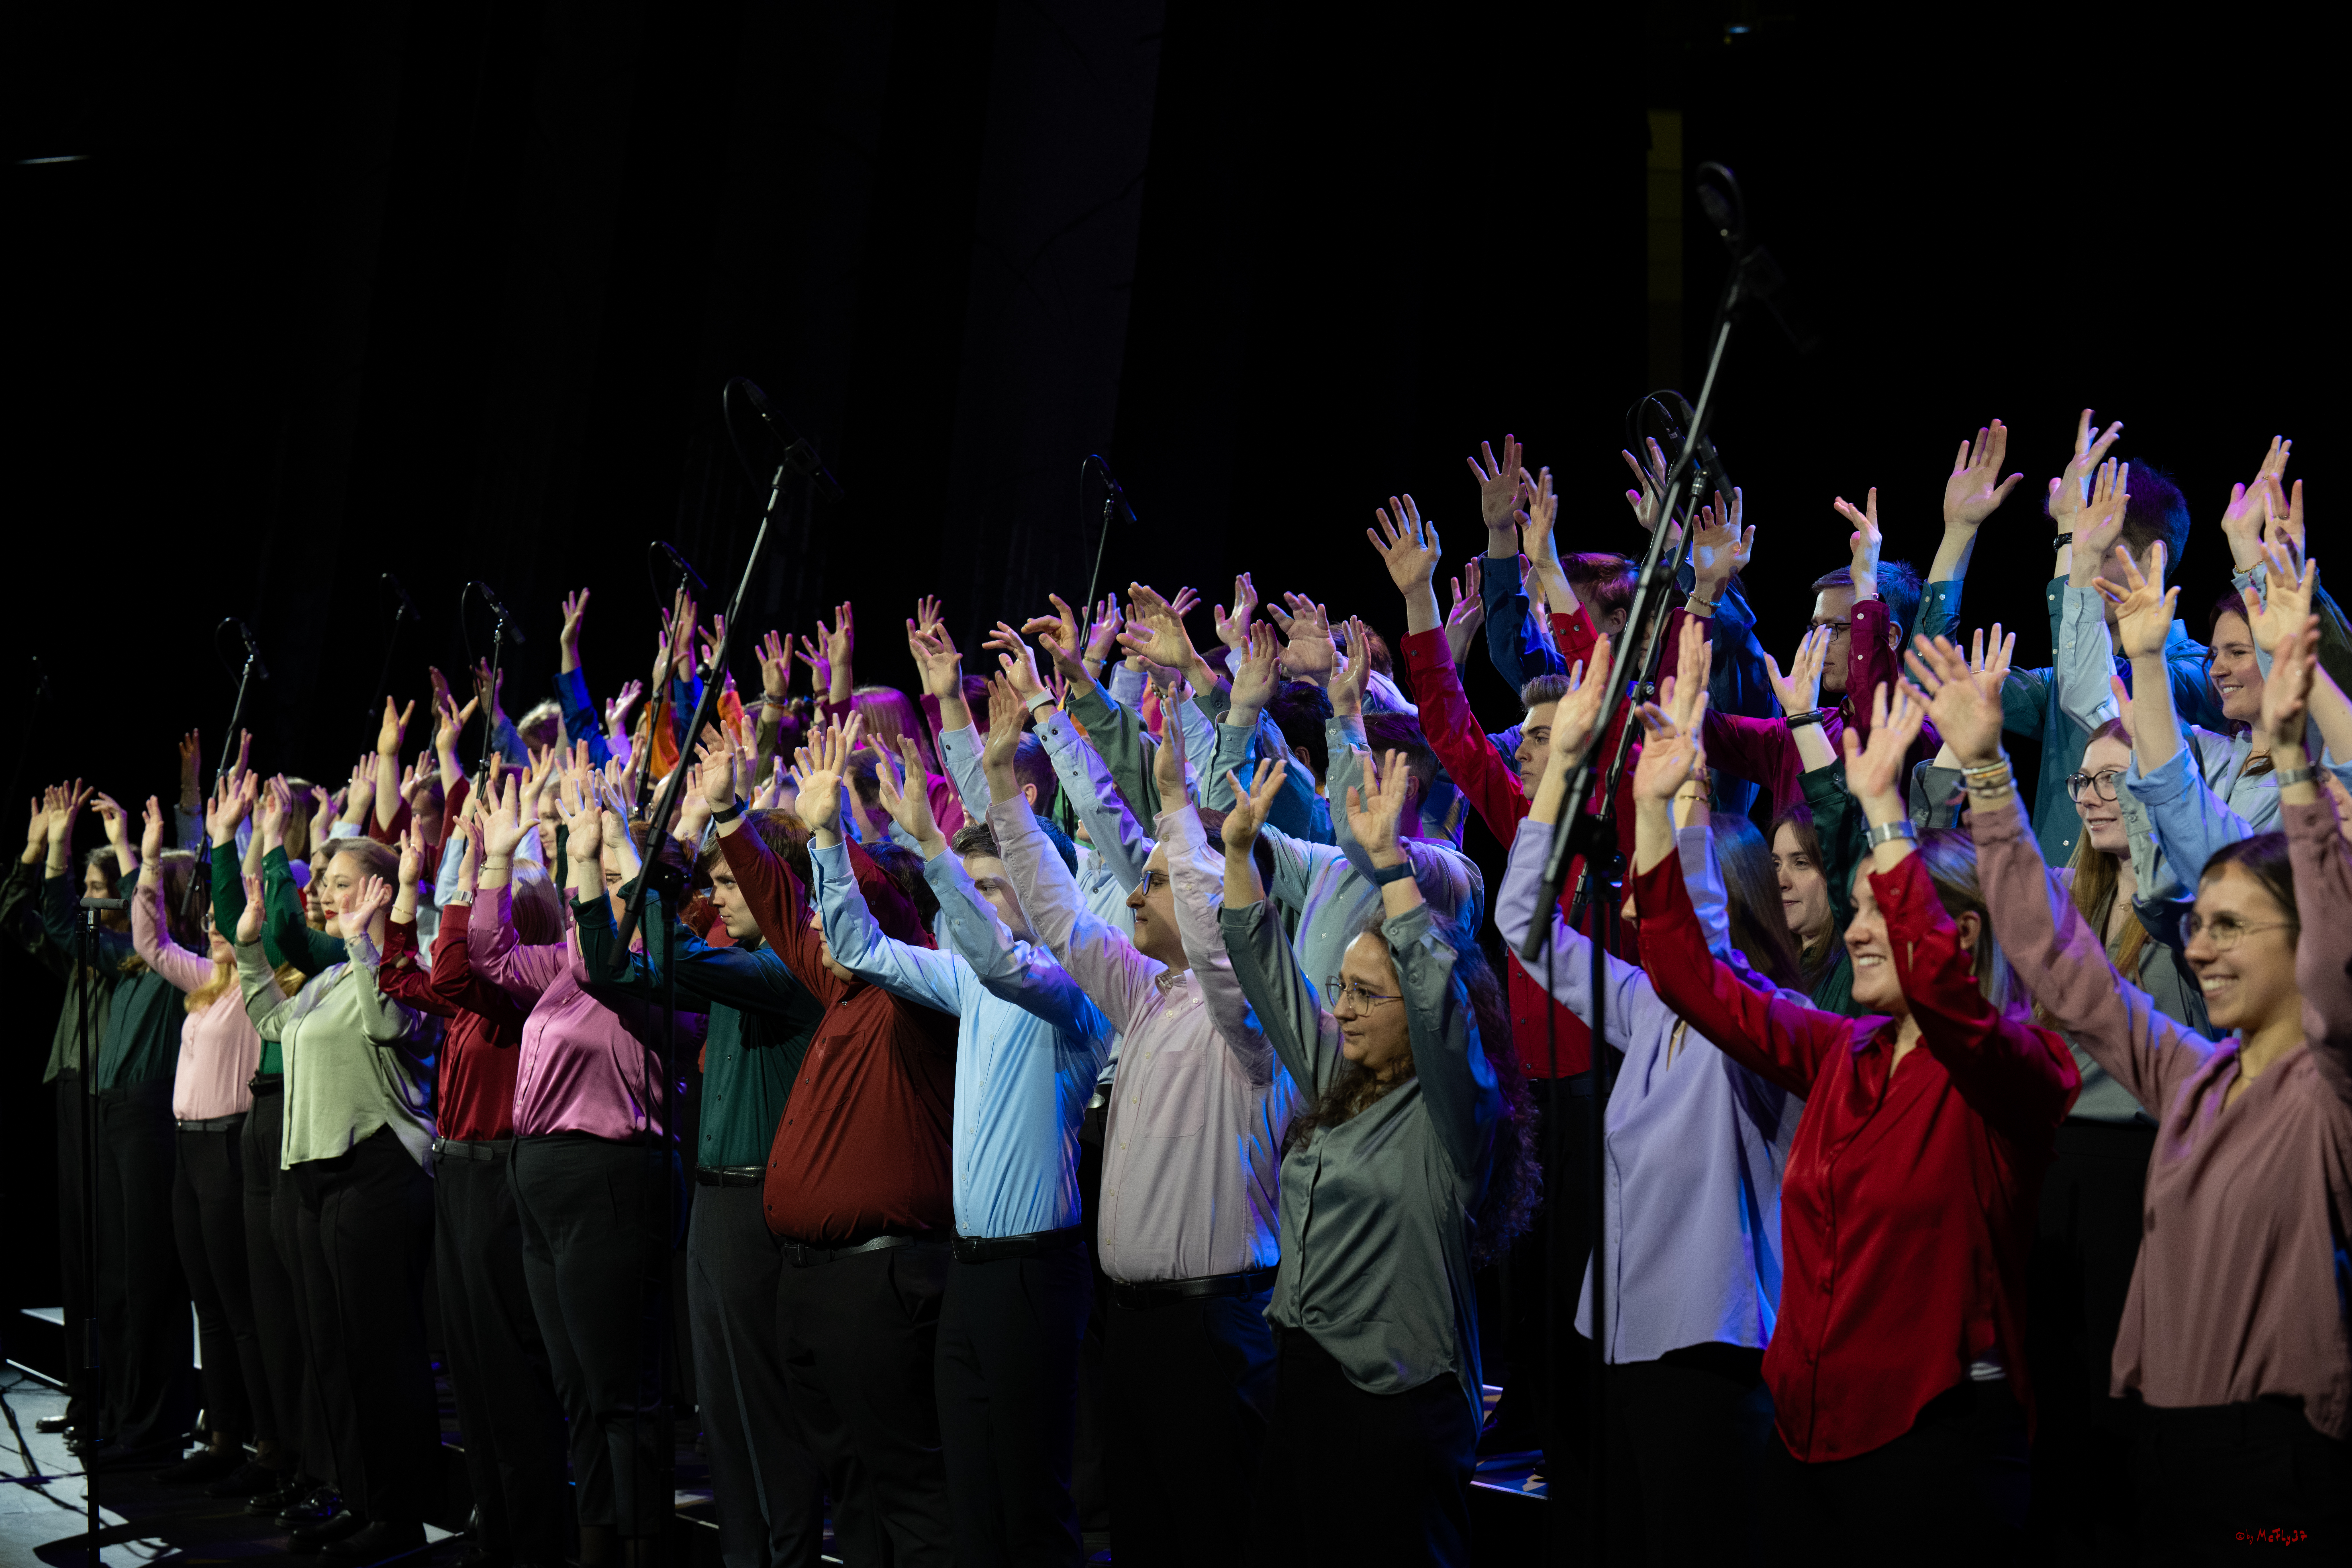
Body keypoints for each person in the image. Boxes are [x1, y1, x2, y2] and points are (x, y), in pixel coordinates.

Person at [1924, 620, 2352, 1557]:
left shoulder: (2329, 1090)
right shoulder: (2192, 1079)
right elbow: (2061, 963)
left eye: (2230, 927)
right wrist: (1989, 775)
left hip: (2275, 1465)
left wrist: (2288, 760)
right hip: (2167, 1445)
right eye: (2198, 925)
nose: (2196, 947)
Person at [1630, 674, 2078, 1562]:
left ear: (1967, 937)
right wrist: (1656, 810)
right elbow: (1694, 980)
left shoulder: (2019, 1074)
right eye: (1863, 908)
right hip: (1803, 1448)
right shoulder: (1845, 1051)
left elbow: (1957, 1010)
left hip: (1933, 1455)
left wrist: (1883, 814)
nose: (1861, 930)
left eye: (1886, 909)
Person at [1500, 623, 1804, 1564]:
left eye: (1660, 878)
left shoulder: (1764, 1023)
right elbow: (1521, 921)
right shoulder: (1641, 1009)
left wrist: (1667, 797)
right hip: (1625, 1346)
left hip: (1711, 1362)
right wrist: (1558, 775)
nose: (1637, 893)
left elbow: (1705, 959)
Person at [986, 675, 1298, 1568]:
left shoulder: (1250, 1017)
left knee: (1211, 1541)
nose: (1135, 895)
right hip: (1138, 1330)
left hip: (1212, 1334)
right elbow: (1057, 914)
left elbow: (1222, 941)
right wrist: (1005, 787)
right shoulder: (1149, 994)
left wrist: (1175, 809)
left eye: (1157, 882)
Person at [805, 711, 1115, 1566]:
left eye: (995, 887)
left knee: (1032, 1506)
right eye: (969, 887)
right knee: (974, 1503)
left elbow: (1002, 960)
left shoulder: (1070, 985)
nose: (974, 905)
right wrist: (827, 839)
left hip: (1034, 1273)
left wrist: (935, 853)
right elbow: (858, 948)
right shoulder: (970, 980)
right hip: (969, 1270)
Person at [1213, 742, 1530, 1566]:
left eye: (1363, 994)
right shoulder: (1341, 1078)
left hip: (1396, 1403)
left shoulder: (1454, 1114)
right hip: (1305, 1388)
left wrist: (1391, 869)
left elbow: (1438, 1000)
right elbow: (1268, 968)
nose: (1341, 1010)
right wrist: (1240, 853)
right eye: (1343, 990)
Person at [708, 719, 961, 1568]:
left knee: (909, 1495)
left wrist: (828, 832)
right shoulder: (844, 994)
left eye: (838, 912)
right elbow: (783, 910)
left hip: (880, 1280)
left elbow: (863, 913)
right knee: (852, 1492)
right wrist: (733, 819)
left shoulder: (917, 1000)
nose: (819, 929)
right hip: (814, 1284)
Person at [573, 792, 832, 1568]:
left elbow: (673, 957)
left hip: (761, 1209)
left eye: (728, 885)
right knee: (721, 1416)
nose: (716, 899)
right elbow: (615, 971)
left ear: (774, 884)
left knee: (765, 1414)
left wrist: (631, 850)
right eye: (714, 884)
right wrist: (593, 869)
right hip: (716, 1205)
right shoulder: (738, 967)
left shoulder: (791, 966)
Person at [473, 766, 701, 1568]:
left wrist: (609, 854)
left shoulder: (664, 965)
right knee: (576, 1390)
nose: (588, 891)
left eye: (608, 877)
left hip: (614, 1177)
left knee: (621, 1395)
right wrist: (498, 863)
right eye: (584, 875)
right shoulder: (567, 962)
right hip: (542, 1182)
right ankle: (597, 1547)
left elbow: (615, 962)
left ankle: (642, 1550)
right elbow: (490, 957)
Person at [234, 836, 439, 1560]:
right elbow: (274, 1025)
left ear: (383, 891)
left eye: (343, 882)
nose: (326, 891)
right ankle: (360, 1498)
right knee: (334, 1351)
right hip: (318, 1176)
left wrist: (361, 942)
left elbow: (390, 1022)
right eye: (325, 881)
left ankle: (401, 1514)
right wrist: (250, 948)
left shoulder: (403, 969)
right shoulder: (326, 980)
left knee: (381, 1354)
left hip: (379, 1169)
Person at [378, 816, 573, 1568]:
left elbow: (456, 969)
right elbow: (401, 978)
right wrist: (404, 901)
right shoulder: (468, 1000)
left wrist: (463, 883)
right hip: (457, 1174)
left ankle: (528, 1538)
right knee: (468, 1364)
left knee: (507, 1371)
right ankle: (492, 1524)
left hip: (498, 1176)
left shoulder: (512, 998)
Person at [35, 784, 198, 1469]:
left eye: (154, 893)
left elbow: (147, 918)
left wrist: (139, 855)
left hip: (151, 1117)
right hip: (112, 1113)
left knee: (149, 1273)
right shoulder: (128, 962)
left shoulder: (180, 966)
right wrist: (56, 858)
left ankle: (154, 1420)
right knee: (117, 1276)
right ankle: (122, 1412)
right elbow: (66, 930)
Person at [126, 797, 287, 1494]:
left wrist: (244, 846)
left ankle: (269, 1442)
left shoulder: (259, 989)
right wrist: (150, 857)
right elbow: (150, 945)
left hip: (230, 1148)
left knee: (241, 1302)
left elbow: (253, 925)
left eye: (229, 915)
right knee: (208, 1303)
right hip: (189, 1152)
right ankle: (223, 1434)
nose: (216, 921)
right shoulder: (205, 984)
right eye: (214, 915)